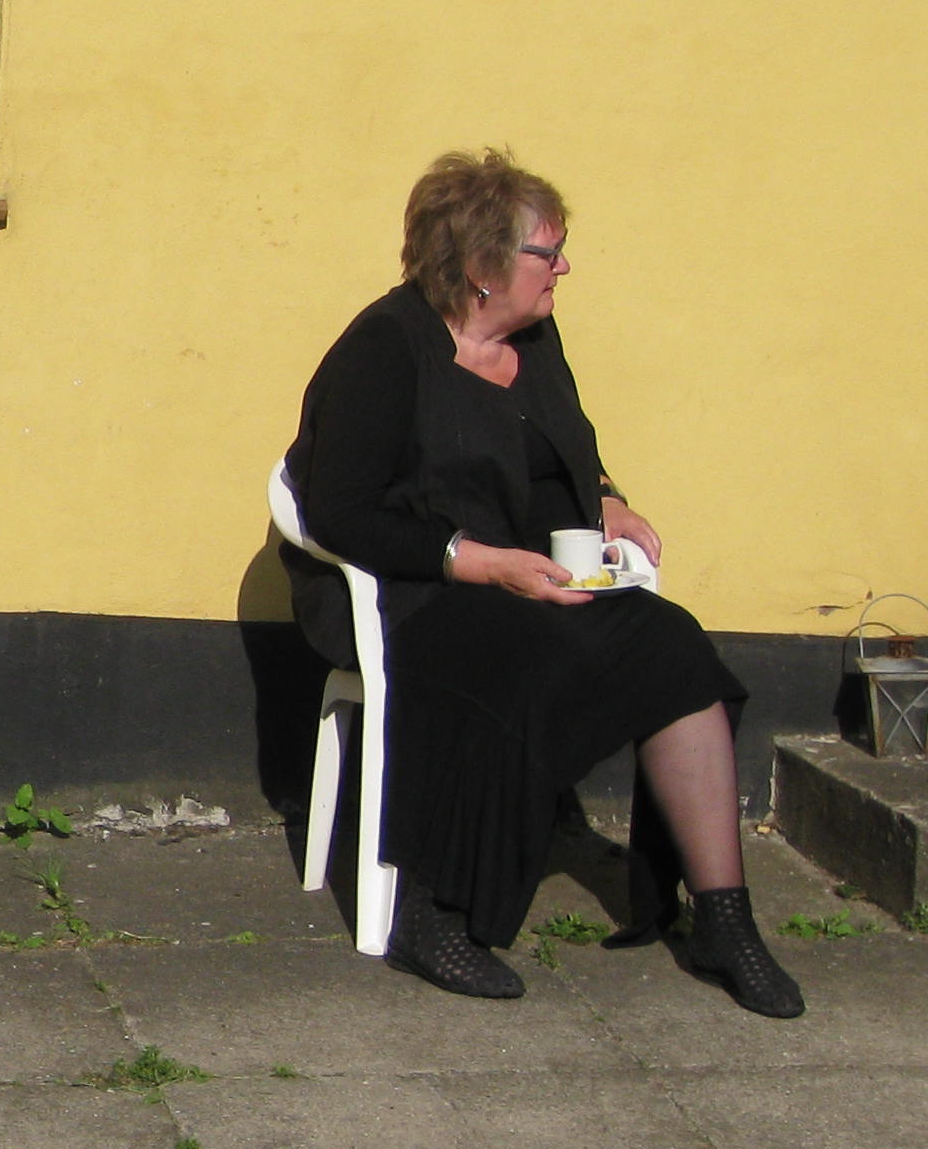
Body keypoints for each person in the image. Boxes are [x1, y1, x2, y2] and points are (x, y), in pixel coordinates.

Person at [287, 151, 801, 1016]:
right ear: (482, 265)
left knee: (672, 644)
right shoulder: (385, 348)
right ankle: (434, 913)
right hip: (415, 590)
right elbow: (339, 510)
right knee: (522, 657)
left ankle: (724, 916)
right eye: (548, 252)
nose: (564, 268)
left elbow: (567, 449)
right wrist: (477, 560)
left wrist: (608, 498)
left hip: (532, 573)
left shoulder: (534, 340)